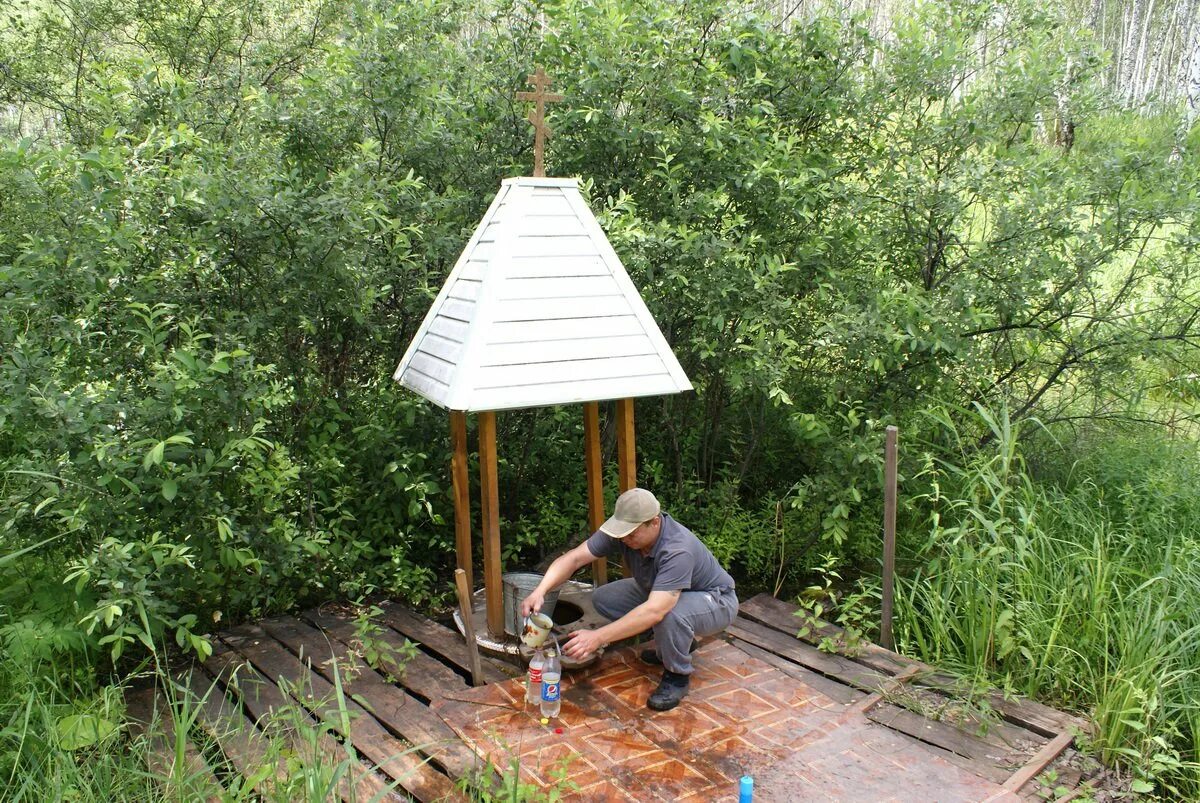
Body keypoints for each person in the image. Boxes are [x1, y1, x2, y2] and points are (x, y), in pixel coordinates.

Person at [519, 488, 739, 711]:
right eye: (622, 533)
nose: (625, 539)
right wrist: (540, 591)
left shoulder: (677, 550)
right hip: (666, 591)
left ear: (654, 522)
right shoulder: (623, 530)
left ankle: (677, 675)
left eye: (631, 534)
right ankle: (675, 642)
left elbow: (655, 610)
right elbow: (574, 558)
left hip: (716, 600)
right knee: (606, 598)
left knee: (669, 614)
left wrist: (597, 637)